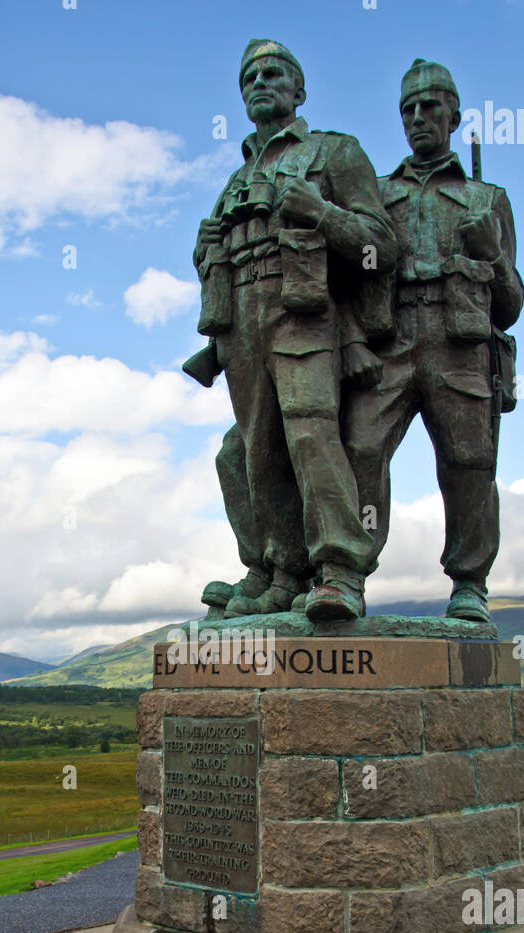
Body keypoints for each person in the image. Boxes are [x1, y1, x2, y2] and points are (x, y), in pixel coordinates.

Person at [190, 38, 396, 621]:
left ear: (299, 90)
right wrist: (204, 256)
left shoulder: (334, 152)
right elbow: (221, 255)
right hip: (242, 324)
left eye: (273, 72)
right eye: (248, 76)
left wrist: (322, 213)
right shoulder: (234, 180)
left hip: (304, 312)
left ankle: (338, 569)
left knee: (310, 433)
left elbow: (381, 248)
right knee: (255, 451)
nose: (259, 82)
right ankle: (280, 573)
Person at [343, 59, 524, 621]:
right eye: (408, 109)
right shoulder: (377, 192)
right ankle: (348, 572)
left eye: (429, 106)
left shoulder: (487, 199)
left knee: (469, 463)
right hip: (390, 339)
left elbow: (512, 304)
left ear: (454, 115)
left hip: (460, 344)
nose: (418, 117)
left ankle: (469, 583)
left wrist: (490, 253)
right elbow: (348, 279)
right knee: (361, 449)